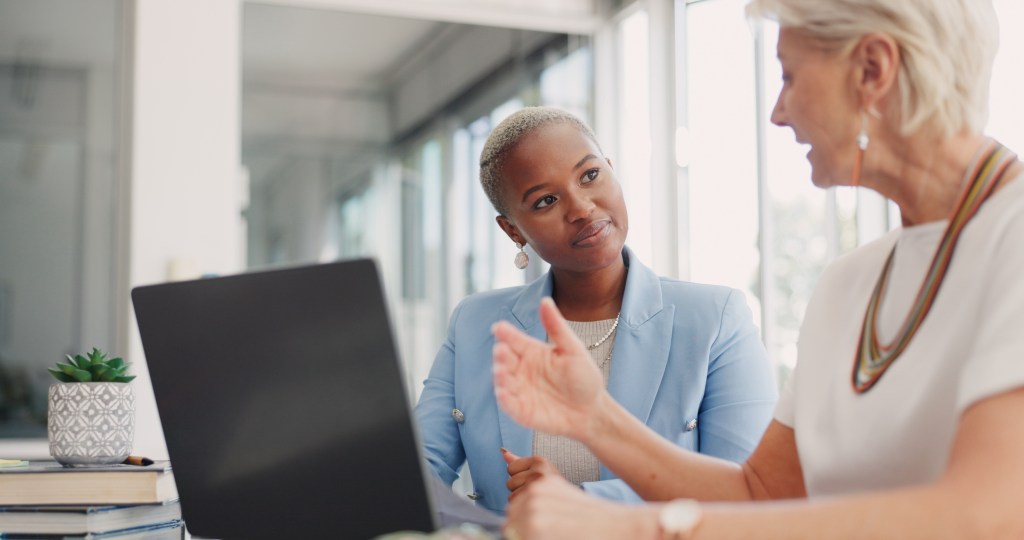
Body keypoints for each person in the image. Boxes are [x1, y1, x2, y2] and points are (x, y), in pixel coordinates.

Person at [491, 1, 1024, 538]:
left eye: (789, 77)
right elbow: (762, 494)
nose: (778, 112)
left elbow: (991, 515)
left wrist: (633, 527)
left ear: (872, 70)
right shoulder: (848, 283)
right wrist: (594, 417)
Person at [414, 106, 778, 516]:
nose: (582, 208)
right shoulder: (475, 324)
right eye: (546, 200)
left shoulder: (715, 319)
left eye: (589, 175)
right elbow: (416, 476)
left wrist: (583, 502)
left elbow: (749, 498)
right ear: (513, 230)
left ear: (611, 169)